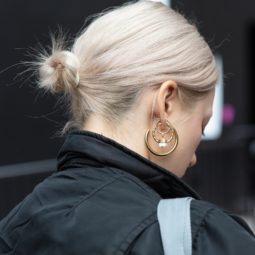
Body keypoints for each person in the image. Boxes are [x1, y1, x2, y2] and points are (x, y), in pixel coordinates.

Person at [0, 0, 254, 254]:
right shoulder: (205, 238)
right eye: (202, 123)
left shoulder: (14, 228)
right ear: (166, 102)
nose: (193, 159)